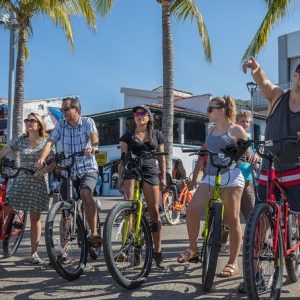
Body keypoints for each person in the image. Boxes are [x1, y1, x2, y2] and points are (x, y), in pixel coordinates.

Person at [238, 58, 300, 293]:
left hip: (296, 169)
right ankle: (254, 277)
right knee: (259, 222)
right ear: (296, 76)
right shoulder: (278, 96)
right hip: (269, 166)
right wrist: (256, 69)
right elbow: (264, 83)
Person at [177, 95, 248, 278]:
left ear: (222, 111)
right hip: (210, 175)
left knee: (232, 220)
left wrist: (248, 154)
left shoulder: (236, 130)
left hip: (230, 176)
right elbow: (206, 152)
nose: (207, 112)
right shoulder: (211, 130)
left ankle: (233, 263)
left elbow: (246, 150)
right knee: (192, 210)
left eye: (210, 109)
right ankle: (193, 250)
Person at [37, 96, 101, 247]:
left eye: (65, 109)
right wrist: (42, 158)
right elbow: (50, 142)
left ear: (76, 110)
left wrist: (94, 147)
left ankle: (94, 233)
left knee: (86, 193)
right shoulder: (61, 125)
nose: (63, 112)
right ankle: (63, 250)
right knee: (66, 209)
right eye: (61, 109)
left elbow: (94, 138)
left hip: (86, 167)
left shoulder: (87, 122)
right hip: (68, 170)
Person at [0, 113, 55, 264]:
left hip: (38, 182)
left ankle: (34, 254)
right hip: (21, 179)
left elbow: (53, 163)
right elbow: (4, 151)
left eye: (32, 120)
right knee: (6, 208)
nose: (28, 123)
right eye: (26, 120)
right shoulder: (21, 140)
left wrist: (43, 171)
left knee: (35, 218)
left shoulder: (46, 142)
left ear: (39, 124)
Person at [118, 105, 167, 269]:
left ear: (149, 117)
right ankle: (131, 246)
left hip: (150, 170)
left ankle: (157, 252)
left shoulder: (157, 135)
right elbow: (123, 159)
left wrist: (164, 177)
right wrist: (120, 178)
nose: (139, 116)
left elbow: (162, 159)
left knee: (153, 210)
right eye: (136, 114)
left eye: (143, 113)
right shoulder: (127, 136)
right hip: (131, 169)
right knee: (129, 209)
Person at [220, 110, 260, 253]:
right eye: (243, 121)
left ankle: (254, 245)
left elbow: (255, 158)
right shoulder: (229, 138)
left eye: (247, 122)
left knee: (252, 216)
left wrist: (256, 158)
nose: (246, 124)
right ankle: (221, 242)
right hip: (231, 182)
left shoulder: (248, 140)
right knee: (229, 217)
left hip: (247, 181)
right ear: (236, 122)